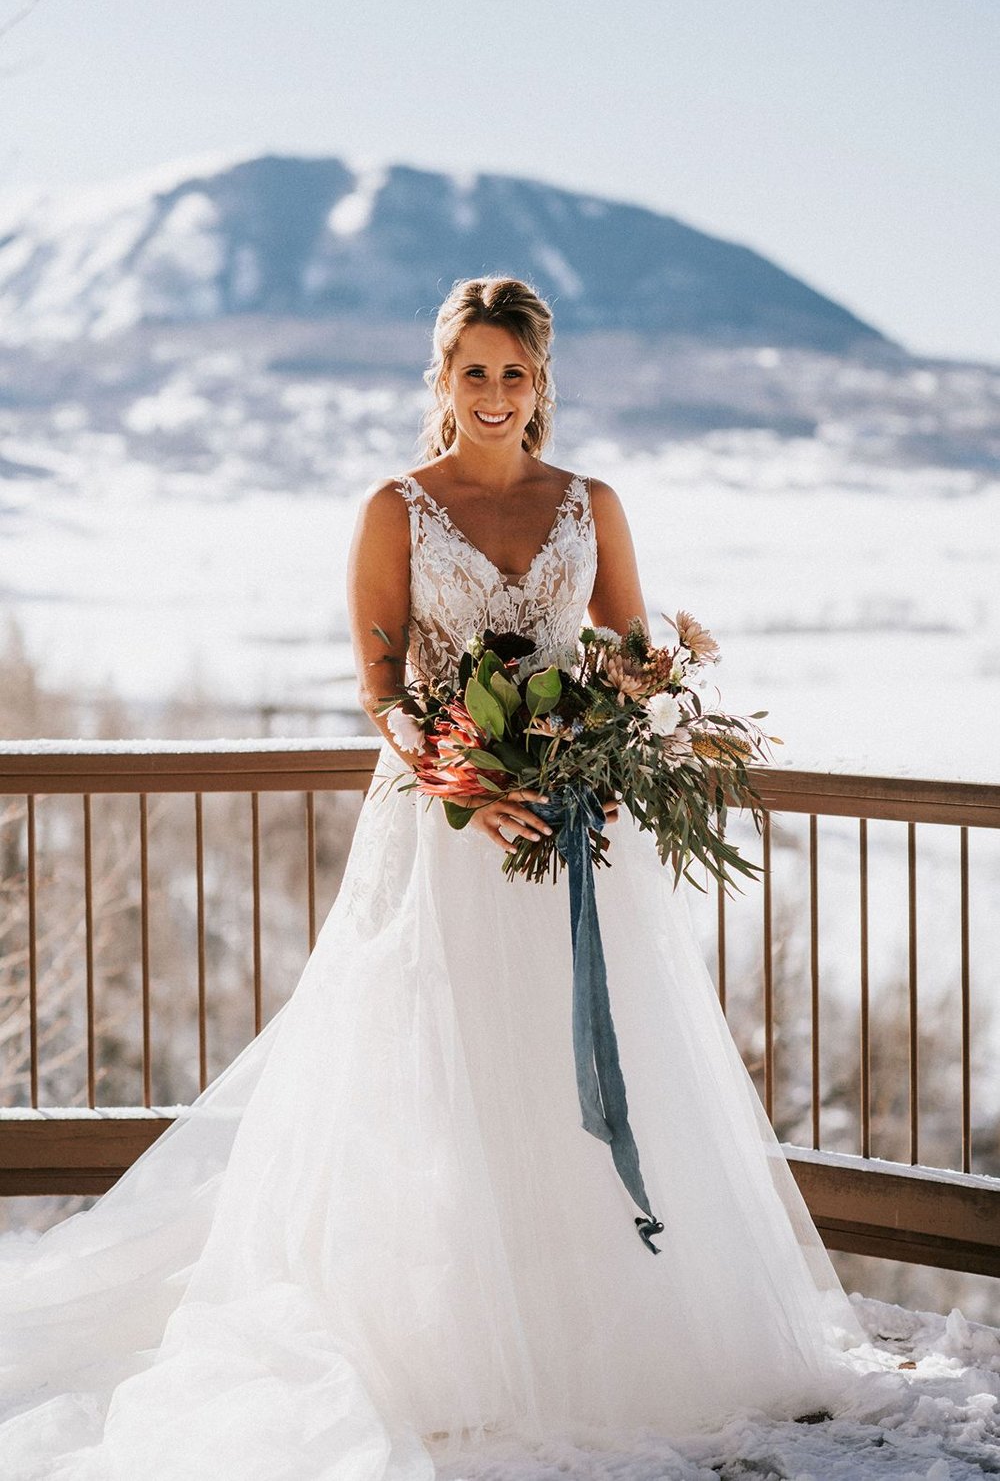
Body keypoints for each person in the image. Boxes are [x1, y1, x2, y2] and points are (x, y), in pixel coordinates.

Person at [0, 275, 872, 1479]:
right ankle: (450, 1339)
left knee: (579, 1060)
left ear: (543, 381)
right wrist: (464, 785)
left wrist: (612, 743)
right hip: (445, 832)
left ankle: (612, 1327)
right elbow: (382, 691)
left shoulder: (593, 504)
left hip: (576, 834)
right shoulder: (394, 510)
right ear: (440, 379)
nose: (496, 395)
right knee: (444, 1064)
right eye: (474, 372)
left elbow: (628, 658)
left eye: (515, 373)